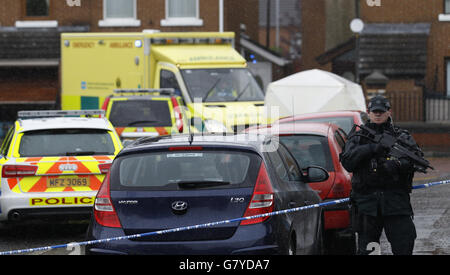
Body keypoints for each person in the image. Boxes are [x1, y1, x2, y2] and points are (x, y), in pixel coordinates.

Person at [340, 95, 422, 255]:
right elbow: (347, 162)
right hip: (367, 205)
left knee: (404, 247)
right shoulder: (358, 137)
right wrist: (370, 149)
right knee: (369, 250)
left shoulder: (401, 137)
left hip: (396, 203)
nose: (378, 114)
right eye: (374, 111)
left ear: (389, 112)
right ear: (368, 112)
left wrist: (397, 164)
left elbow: (417, 161)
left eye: (382, 111)